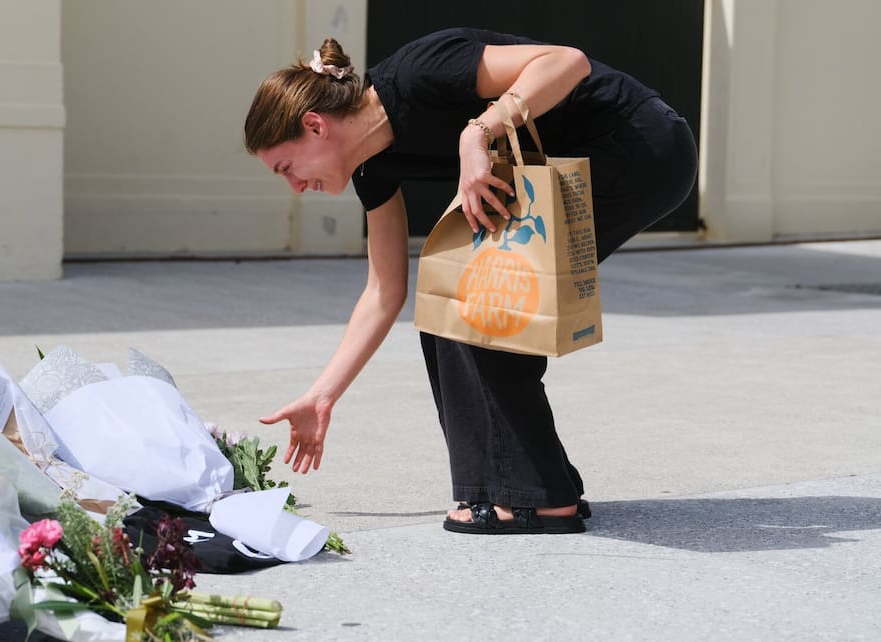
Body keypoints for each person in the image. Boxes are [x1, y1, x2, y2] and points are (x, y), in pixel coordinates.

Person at [243, 28, 697, 534]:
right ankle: (534, 486)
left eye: (286, 167)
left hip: (638, 142)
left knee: (474, 296)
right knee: (448, 296)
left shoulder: (419, 72)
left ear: (314, 125)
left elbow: (568, 62)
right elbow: (383, 291)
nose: (295, 187)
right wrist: (322, 395)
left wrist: (476, 132)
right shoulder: (372, 169)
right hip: (580, 166)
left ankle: (533, 495)